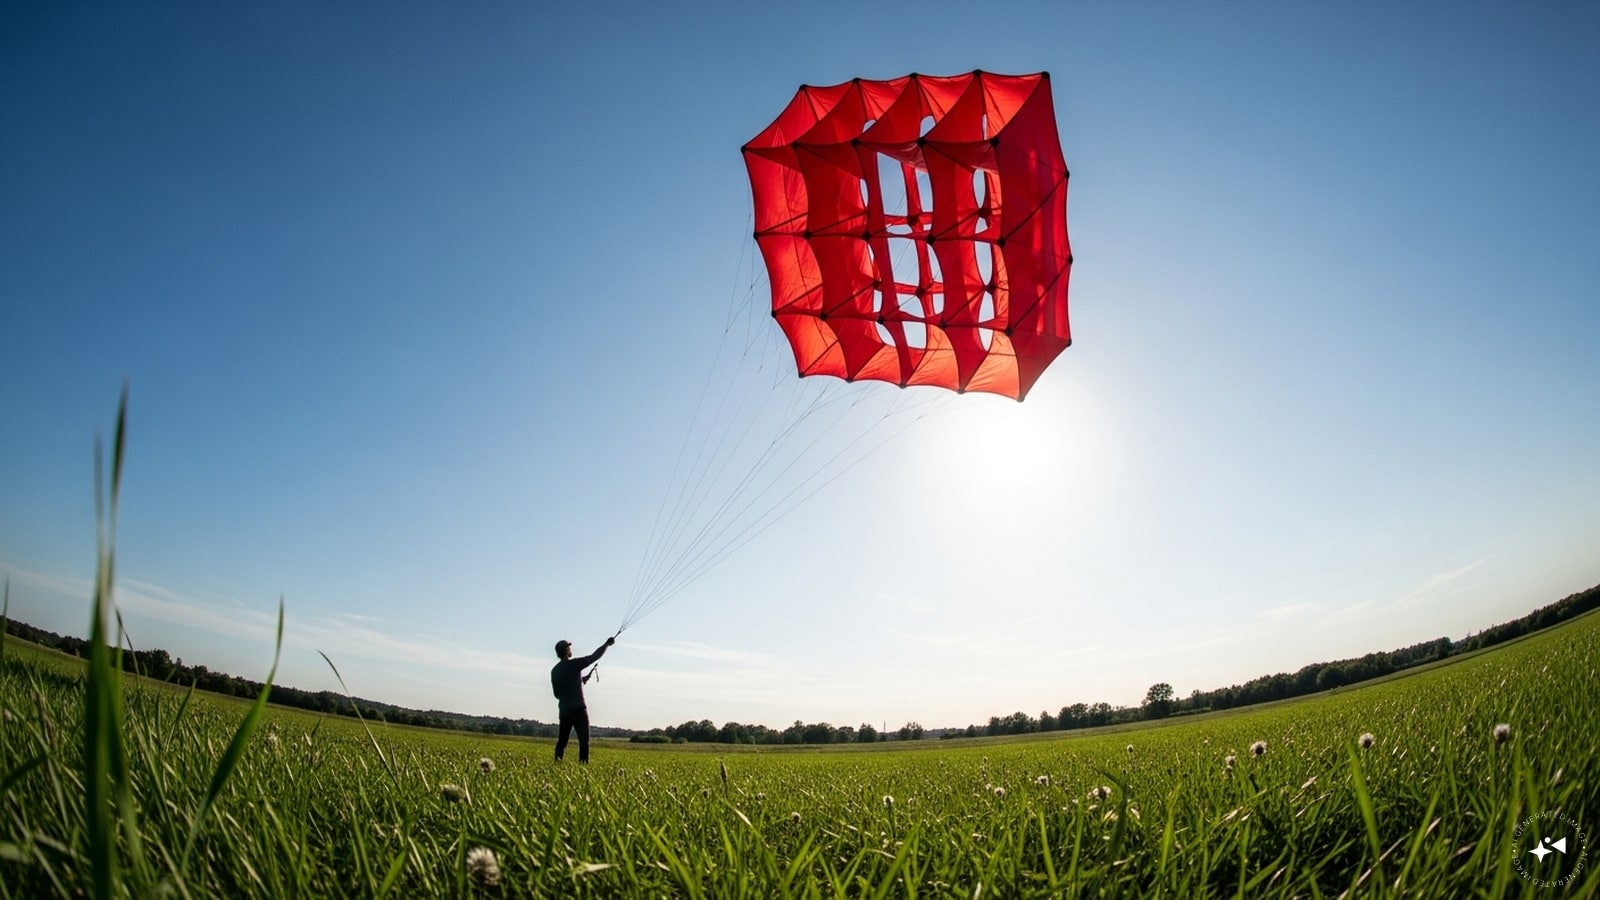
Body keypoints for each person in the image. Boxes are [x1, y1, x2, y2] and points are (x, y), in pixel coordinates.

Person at [550, 635, 614, 762]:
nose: (570, 649)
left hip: (564, 711)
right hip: (579, 709)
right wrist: (606, 644)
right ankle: (583, 767)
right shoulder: (575, 664)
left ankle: (557, 763)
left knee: (562, 741)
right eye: (569, 647)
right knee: (584, 742)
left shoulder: (555, 671)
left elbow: (557, 695)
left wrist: (580, 681)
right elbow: (594, 657)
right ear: (566, 651)